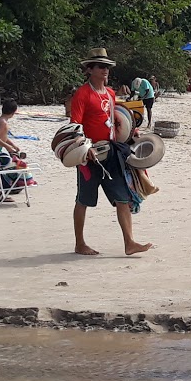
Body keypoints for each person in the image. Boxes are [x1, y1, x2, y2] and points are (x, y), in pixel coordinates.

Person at [69, 48, 151, 257]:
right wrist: (84, 148)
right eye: (101, 67)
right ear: (90, 69)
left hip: (112, 152)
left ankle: (130, 243)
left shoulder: (111, 93)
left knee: (123, 197)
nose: (105, 70)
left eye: (107, 67)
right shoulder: (82, 94)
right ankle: (80, 243)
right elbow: (75, 125)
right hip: (90, 156)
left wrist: (131, 131)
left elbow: (117, 119)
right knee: (84, 200)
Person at [0, 101, 26, 201]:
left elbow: (4, 137)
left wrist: (13, 145)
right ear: (13, 112)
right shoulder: (2, 122)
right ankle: (1, 192)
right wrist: (7, 147)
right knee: (1, 170)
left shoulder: (3, 121)